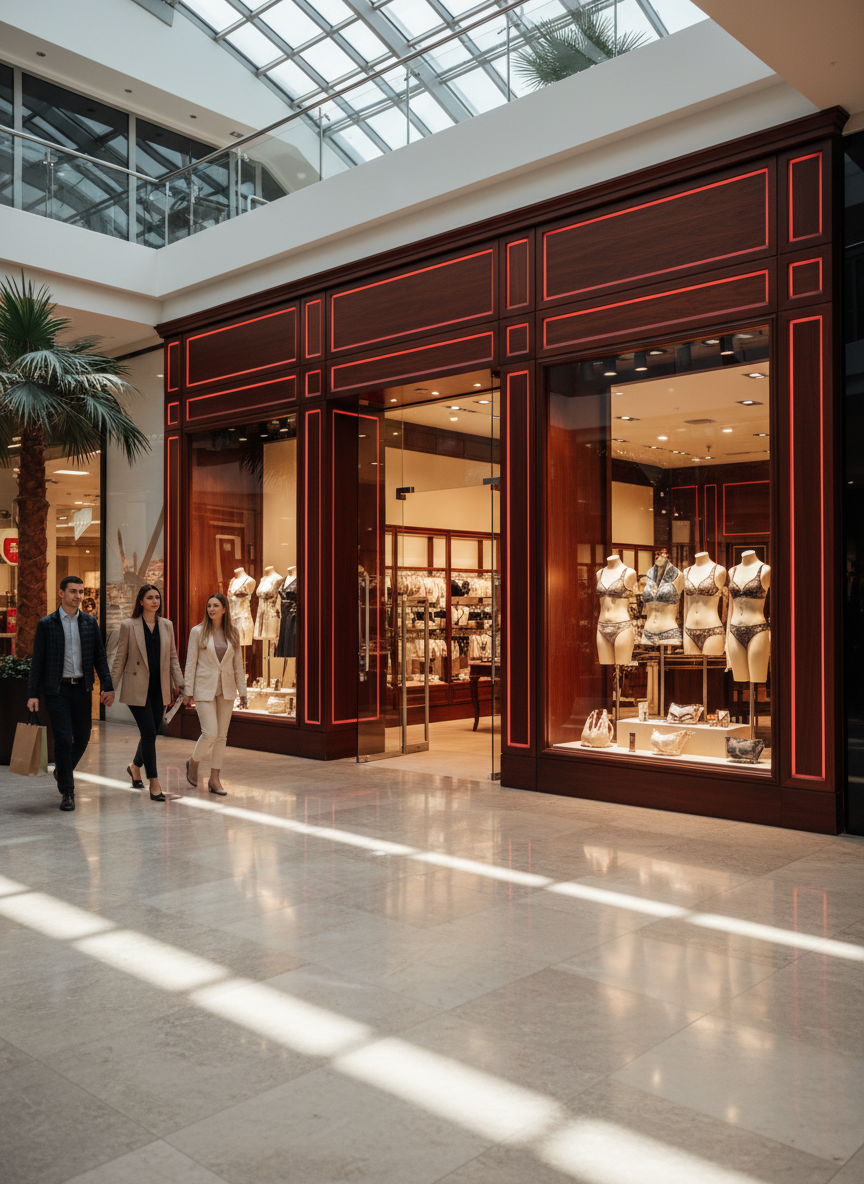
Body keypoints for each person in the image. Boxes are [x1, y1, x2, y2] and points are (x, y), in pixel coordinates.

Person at [27, 575, 115, 811]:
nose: (77, 596)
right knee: (64, 739)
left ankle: (63, 771)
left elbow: (100, 657)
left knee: (84, 737)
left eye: (80, 592)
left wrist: (108, 685)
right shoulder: (47, 624)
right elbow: (38, 661)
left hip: (82, 688)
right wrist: (32, 693)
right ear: (62, 593)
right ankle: (68, 791)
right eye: (73, 591)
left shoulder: (89, 623)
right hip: (57, 689)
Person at [110, 584, 183, 802]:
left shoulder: (166, 625)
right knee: (149, 733)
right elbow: (119, 659)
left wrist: (181, 683)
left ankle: (134, 767)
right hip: (137, 688)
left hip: (160, 689)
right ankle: (154, 782)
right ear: (141, 601)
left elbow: (172, 658)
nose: (154, 601)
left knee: (150, 733)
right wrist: (110, 689)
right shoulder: (128, 625)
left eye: (157, 597)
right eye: (149, 597)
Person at [183, 592, 247, 796]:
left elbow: (238, 666)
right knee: (210, 732)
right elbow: (191, 662)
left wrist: (243, 692)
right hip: (203, 688)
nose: (211, 609)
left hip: (227, 688)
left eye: (216, 605)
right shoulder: (198, 631)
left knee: (221, 736)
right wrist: (188, 690)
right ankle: (193, 762)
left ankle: (214, 779)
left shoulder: (234, 633)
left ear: (224, 609)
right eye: (209, 605)